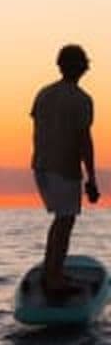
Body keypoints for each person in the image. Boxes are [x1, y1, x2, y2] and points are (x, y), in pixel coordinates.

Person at [31, 44, 99, 299]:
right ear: (82, 67)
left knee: (60, 219)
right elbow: (84, 140)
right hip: (64, 168)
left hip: (41, 166)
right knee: (65, 221)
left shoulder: (43, 93)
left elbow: (37, 130)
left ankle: (53, 270)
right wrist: (91, 178)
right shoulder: (82, 100)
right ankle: (54, 278)